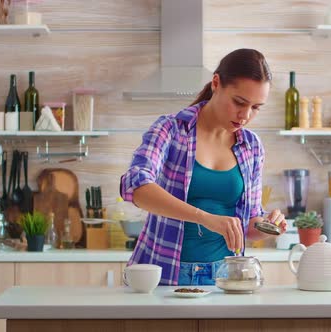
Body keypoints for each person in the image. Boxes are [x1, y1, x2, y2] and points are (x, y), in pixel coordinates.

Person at [120, 48, 286, 286]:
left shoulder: (251, 146)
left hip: (226, 277)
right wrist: (205, 218)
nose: (245, 115)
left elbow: (249, 224)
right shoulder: (171, 129)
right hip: (163, 273)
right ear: (216, 83)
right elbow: (136, 187)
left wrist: (269, 226)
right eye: (239, 102)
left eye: (256, 107)